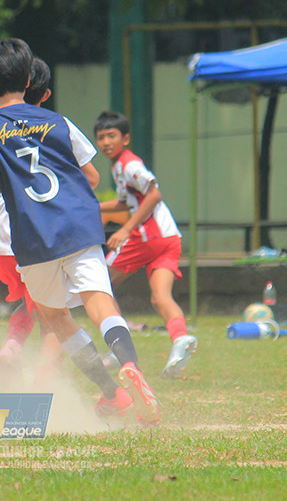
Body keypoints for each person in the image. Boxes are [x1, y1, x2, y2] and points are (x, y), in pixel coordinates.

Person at [0, 37, 160, 424]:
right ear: (29, 77)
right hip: (80, 226)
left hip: (34, 236)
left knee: (54, 317)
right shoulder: (58, 122)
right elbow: (92, 174)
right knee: (100, 301)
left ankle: (110, 391)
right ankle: (130, 364)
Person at [0, 57, 68, 389]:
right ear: (42, 93)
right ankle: (45, 382)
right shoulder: (54, 128)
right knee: (55, 318)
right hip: (37, 237)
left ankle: (12, 346)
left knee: (32, 302)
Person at [93, 110, 198, 379]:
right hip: (169, 238)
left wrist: (125, 230)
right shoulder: (119, 166)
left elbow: (154, 194)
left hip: (148, 237)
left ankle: (119, 347)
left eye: (111, 136)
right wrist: (93, 206)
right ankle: (181, 339)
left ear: (125, 139)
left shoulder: (129, 164)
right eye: (101, 137)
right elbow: (126, 202)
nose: (105, 142)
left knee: (100, 282)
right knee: (160, 297)